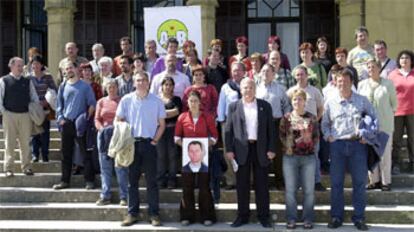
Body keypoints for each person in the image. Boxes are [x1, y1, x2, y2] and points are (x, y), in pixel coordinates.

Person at [322, 68, 377, 231]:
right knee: (336, 183)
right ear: (335, 83)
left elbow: (374, 120)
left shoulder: (362, 101)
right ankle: (336, 217)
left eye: (346, 81)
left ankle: (359, 218)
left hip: (357, 146)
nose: (342, 84)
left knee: (359, 183)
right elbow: (324, 124)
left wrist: (366, 135)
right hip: (337, 146)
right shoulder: (330, 103)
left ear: (351, 82)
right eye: (339, 81)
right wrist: (328, 136)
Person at [117, 72, 166, 227]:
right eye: (138, 80)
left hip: (149, 144)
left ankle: (154, 214)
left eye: (144, 80)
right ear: (134, 82)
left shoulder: (156, 101)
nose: (141, 83)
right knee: (132, 182)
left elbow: (162, 124)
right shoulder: (126, 100)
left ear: (148, 82)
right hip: (132, 145)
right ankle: (132, 214)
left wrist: (155, 141)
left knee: (152, 181)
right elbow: (119, 119)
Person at [225, 78, 275, 228]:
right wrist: (229, 150)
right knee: (242, 185)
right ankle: (242, 216)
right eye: (245, 87)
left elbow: (271, 130)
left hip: (260, 149)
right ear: (241, 90)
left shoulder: (265, 106)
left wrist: (272, 148)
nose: (248, 90)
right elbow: (228, 130)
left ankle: (264, 216)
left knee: (262, 185)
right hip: (241, 150)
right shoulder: (233, 106)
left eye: (251, 87)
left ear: (255, 89)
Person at [175, 90, 218, 226]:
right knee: (187, 186)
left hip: (204, 156)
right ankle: (187, 216)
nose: (193, 103)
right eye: (191, 101)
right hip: (187, 157)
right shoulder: (182, 118)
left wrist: (206, 144)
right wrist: (186, 146)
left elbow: (215, 136)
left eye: (195, 101)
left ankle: (207, 216)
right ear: (187, 103)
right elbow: (176, 137)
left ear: (200, 103)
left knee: (204, 186)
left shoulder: (207, 117)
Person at [53, 61, 96, 190]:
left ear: (77, 69)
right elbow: (59, 105)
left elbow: (92, 104)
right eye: (66, 69)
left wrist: (86, 118)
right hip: (66, 123)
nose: (69, 70)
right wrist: (60, 118)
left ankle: (89, 181)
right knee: (65, 154)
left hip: (80, 124)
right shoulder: (63, 86)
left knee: (85, 153)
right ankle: (64, 181)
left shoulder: (85, 86)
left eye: (71, 68)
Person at [279, 89, 319, 229]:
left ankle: (308, 219)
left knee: (309, 190)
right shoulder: (286, 118)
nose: (297, 102)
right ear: (292, 101)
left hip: (308, 158)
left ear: (305, 101)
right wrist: (288, 146)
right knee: (290, 190)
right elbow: (282, 136)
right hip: (290, 158)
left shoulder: (312, 118)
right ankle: (291, 219)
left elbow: (316, 137)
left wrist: (309, 145)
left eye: (300, 99)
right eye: (295, 99)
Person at [358, 59, 397, 191]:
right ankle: (374, 180)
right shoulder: (362, 85)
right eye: (369, 67)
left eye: (373, 67)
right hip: (369, 126)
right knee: (371, 153)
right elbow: (360, 104)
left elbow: (394, 104)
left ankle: (386, 182)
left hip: (385, 124)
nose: (371, 69)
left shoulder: (388, 84)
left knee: (385, 155)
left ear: (379, 68)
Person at [287, 65, 325, 191]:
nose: (300, 77)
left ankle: (316, 181)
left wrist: (315, 121)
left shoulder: (315, 91)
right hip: (296, 128)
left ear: (307, 75)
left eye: (302, 74)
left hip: (311, 129)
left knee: (313, 154)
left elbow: (321, 108)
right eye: (297, 75)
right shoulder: (291, 91)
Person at [0, 57, 39, 177]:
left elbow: (34, 97)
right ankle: (8, 169)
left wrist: (34, 110)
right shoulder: (4, 80)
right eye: (19, 66)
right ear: (11, 66)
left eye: (22, 66)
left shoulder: (27, 81)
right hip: (9, 115)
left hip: (25, 115)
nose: (21, 68)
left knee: (25, 143)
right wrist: (3, 112)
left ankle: (26, 167)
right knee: (9, 143)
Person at [256, 63, 291, 190]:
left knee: (278, 154)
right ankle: (263, 182)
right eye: (263, 71)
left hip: (276, 123)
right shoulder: (256, 88)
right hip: (260, 125)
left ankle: (279, 181)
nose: (265, 73)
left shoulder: (280, 89)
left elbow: (286, 105)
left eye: (268, 71)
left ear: (273, 74)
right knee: (261, 152)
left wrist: (287, 113)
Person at [94, 79, 128, 206]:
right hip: (103, 136)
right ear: (105, 88)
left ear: (117, 88)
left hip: (118, 136)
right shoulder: (101, 102)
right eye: (109, 87)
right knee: (105, 168)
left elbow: (126, 117)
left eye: (114, 86)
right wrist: (102, 130)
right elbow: (97, 119)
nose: (112, 89)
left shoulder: (122, 101)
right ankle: (105, 195)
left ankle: (124, 196)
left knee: (120, 167)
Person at [217, 62, 246, 190]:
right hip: (229, 123)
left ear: (244, 72)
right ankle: (231, 180)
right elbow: (221, 104)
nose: (236, 73)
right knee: (228, 151)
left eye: (239, 70)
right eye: (234, 70)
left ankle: (246, 179)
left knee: (245, 150)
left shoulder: (248, 85)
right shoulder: (226, 87)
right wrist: (222, 121)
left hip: (245, 123)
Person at [388, 50, 414, 175]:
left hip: (412, 111)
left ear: (411, 60)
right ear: (398, 60)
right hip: (397, 111)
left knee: (413, 139)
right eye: (402, 57)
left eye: (407, 57)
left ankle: (413, 163)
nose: (404, 60)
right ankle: (395, 164)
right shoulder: (393, 75)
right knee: (396, 139)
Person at [29, 55, 58, 163]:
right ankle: (35, 155)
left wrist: (45, 101)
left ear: (41, 65)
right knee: (34, 133)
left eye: (37, 64)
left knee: (45, 133)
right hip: (34, 110)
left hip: (45, 108)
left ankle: (45, 155)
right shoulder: (28, 78)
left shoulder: (48, 77)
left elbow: (54, 90)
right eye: (33, 64)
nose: (35, 66)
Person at [156, 77, 182, 189]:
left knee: (173, 156)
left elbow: (177, 112)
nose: (168, 86)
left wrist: (161, 114)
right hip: (159, 130)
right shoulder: (156, 100)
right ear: (162, 86)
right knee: (160, 156)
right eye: (165, 84)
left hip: (173, 130)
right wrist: (168, 113)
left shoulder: (177, 99)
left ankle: (172, 180)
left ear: (173, 86)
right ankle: (160, 180)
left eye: (170, 84)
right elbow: (154, 114)